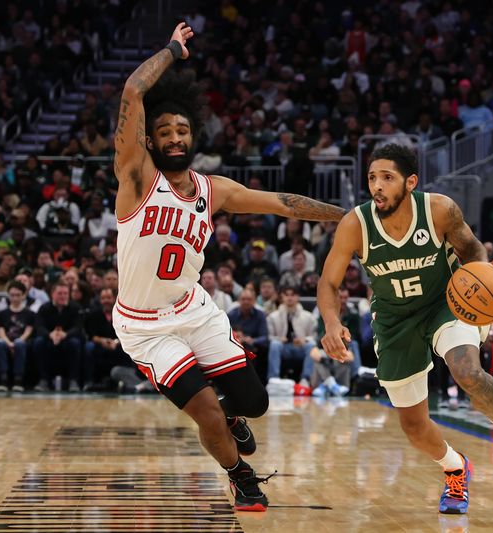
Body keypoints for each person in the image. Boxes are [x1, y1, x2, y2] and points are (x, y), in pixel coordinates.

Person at [111, 23, 345, 512]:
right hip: (145, 328)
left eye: (183, 130)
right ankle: (240, 476)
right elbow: (133, 89)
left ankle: (232, 420)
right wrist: (172, 51)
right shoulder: (136, 178)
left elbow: (283, 203)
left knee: (253, 405)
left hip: (195, 311)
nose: (175, 138)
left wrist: (347, 217)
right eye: (164, 132)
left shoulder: (211, 189)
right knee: (207, 416)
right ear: (149, 141)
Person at [318, 144, 493, 515]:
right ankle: (455, 468)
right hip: (394, 320)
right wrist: (332, 323)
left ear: (410, 182)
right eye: (372, 178)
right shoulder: (355, 225)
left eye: (387, 178)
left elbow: (473, 250)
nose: (377, 186)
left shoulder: (439, 209)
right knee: (413, 425)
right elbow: (329, 282)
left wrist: (486, 276)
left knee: (467, 371)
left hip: (447, 303)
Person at [0, 280, 35, 392]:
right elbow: (0, 331)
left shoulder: (30, 314)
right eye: (12, 295)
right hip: (6, 340)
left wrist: (17, 342)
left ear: (24, 295)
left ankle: (18, 379)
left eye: (18, 295)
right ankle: (3, 379)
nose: (15, 298)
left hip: (22, 341)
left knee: (20, 344)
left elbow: (28, 331)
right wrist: (9, 343)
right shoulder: (2, 314)